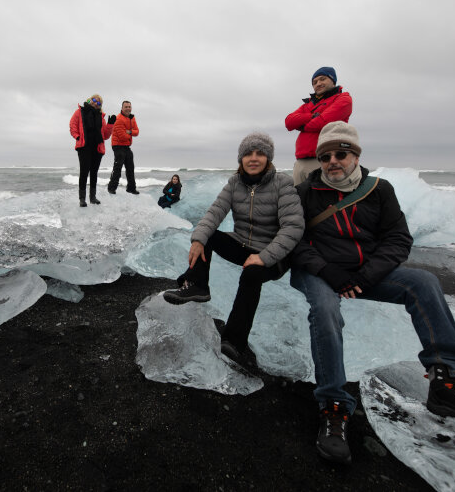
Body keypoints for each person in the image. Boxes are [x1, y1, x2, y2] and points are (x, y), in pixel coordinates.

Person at [289, 121, 455, 465]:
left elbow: (398, 239)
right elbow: (293, 239)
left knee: (423, 283)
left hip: (366, 273)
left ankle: (448, 382)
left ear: (356, 155)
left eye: (342, 153)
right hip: (321, 273)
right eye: (326, 156)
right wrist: (328, 271)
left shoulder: (379, 190)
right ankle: (333, 406)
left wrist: (367, 276)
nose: (333, 161)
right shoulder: (305, 193)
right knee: (324, 308)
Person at [162, 133, 304, 363]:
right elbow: (215, 211)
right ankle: (198, 285)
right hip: (243, 244)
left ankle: (235, 341)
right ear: (241, 159)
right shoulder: (235, 183)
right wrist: (198, 239)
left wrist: (264, 257)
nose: (254, 158)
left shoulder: (283, 184)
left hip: (274, 254)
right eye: (248, 153)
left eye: (260, 153)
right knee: (207, 236)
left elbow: (293, 228)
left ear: (269, 158)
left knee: (252, 274)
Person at [285, 66, 352, 185]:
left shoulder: (343, 99)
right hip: (300, 163)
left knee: (321, 202)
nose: (318, 84)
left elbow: (323, 122)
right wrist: (311, 116)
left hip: (325, 161)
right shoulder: (309, 104)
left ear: (333, 80)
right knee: (298, 201)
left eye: (322, 79)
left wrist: (302, 126)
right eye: (315, 82)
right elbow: (289, 122)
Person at [69, 94, 115, 207]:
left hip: (97, 148)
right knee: (84, 172)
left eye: (99, 103)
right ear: (90, 100)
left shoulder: (101, 117)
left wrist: (110, 125)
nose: (96, 103)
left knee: (94, 173)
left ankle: (93, 197)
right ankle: (82, 199)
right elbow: (72, 125)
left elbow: (105, 136)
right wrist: (77, 136)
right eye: (95, 100)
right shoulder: (80, 112)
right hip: (84, 146)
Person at [107, 100, 140, 195]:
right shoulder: (118, 119)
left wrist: (129, 131)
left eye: (129, 106)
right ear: (122, 108)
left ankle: (131, 188)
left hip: (127, 146)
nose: (128, 108)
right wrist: (130, 133)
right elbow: (122, 137)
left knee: (130, 167)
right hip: (118, 146)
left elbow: (137, 132)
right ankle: (111, 188)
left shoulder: (132, 118)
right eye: (126, 107)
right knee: (118, 167)